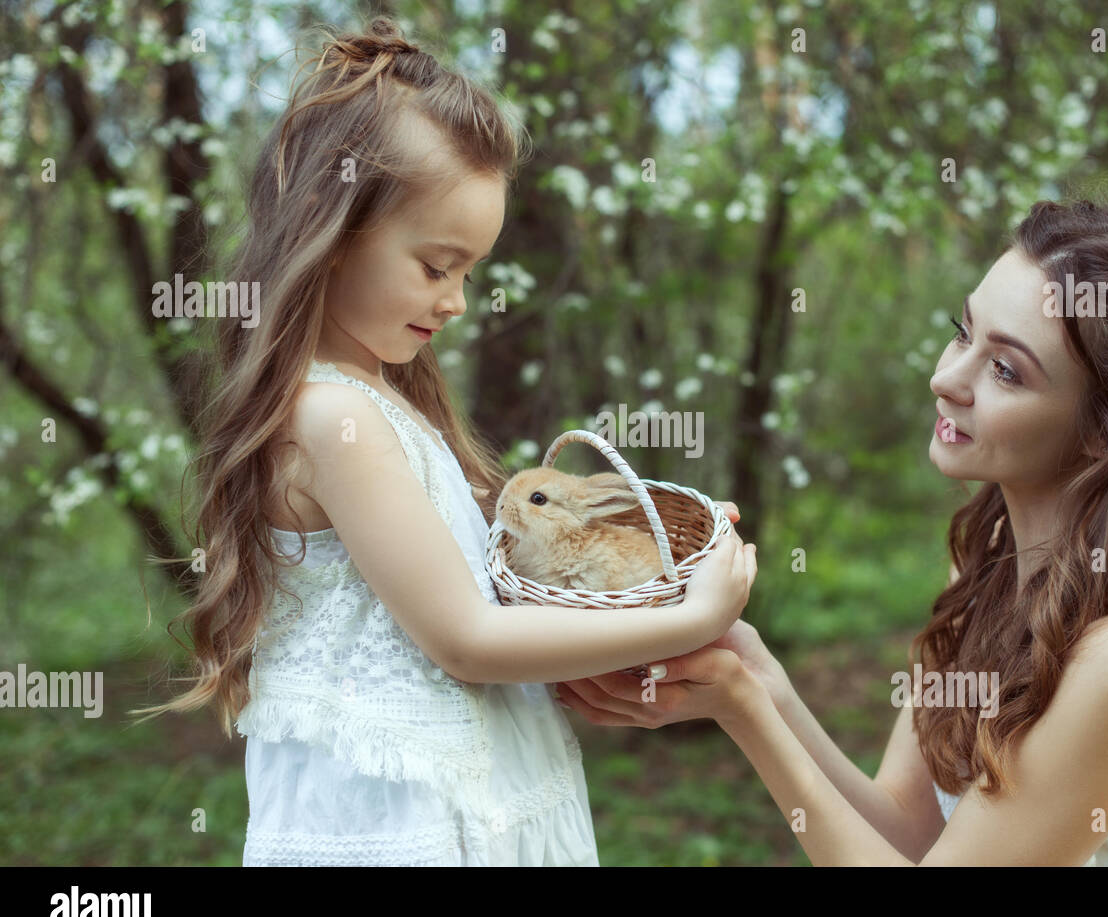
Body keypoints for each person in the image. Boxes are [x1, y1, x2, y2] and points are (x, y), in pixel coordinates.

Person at [131, 17, 756, 866]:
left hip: (480, 802)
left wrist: (638, 578)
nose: (457, 300)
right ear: (333, 230)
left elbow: (473, 612)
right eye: (436, 266)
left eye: (471, 272)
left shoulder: (383, 405)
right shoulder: (331, 419)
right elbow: (463, 640)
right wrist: (697, 612)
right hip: (402, 828)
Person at [555, 198, 1108, 865]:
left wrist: (745, 714)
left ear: (1105, 432)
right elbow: (905, 828)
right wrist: (760, 680)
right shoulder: (991, 570)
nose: (946, 378)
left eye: (1004, 368)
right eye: (962, 332)